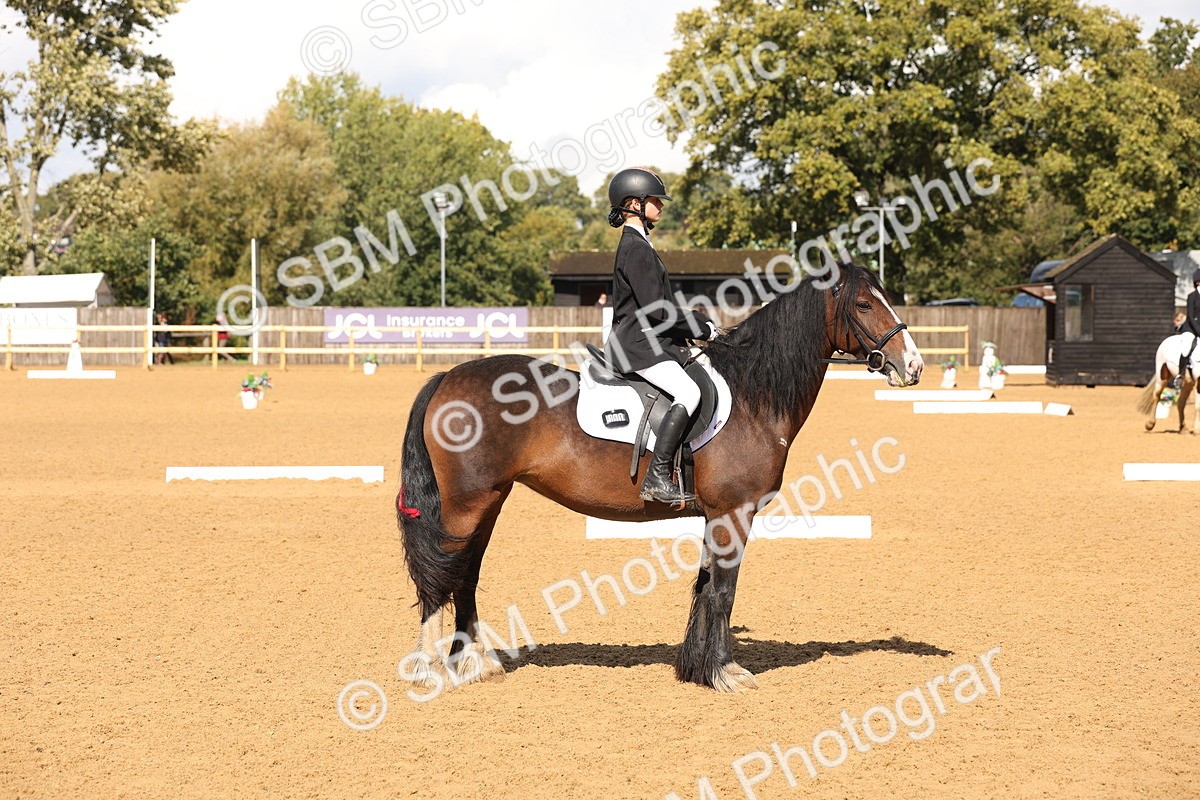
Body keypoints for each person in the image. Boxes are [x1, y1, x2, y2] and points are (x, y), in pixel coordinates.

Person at [605, 167, 718, 504]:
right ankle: (657, 476)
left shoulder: (639, 244)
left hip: (646, 340)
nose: (661, 205)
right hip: (635, 345)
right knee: (689, 391)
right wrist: (700, 326)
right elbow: (656, 310)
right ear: (634, 203)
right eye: (655, 199)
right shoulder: (636, 248)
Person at [1177, 270, 1200, 388]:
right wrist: (1198, 331)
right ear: (1197, 282)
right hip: (1191, 328)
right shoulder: (1192, 296)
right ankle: (1180, 375)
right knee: (1186, 348)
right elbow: (1190, 316)